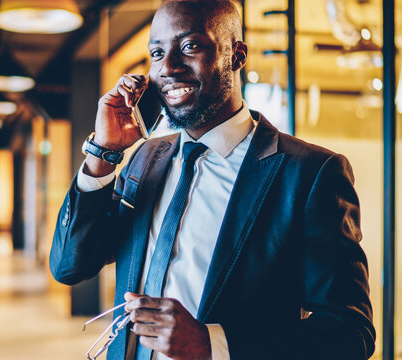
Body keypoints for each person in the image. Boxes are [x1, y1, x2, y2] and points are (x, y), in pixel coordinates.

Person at [50, 0, 376, 359]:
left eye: (190, 47)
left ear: (237, 56)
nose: (168, 67)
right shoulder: (146, 159)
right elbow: (69, 266)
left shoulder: (310, 174)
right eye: (157, 53)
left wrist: (213, 344)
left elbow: (350, 333)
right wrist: (102, 153)